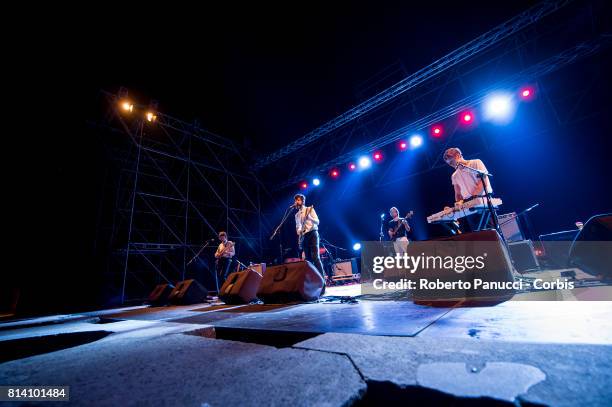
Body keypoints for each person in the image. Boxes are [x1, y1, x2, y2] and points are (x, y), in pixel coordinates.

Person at [443, 147, 493, 232]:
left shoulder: (476, 162)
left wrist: (473, 199)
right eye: (449, 164)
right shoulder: (454, 176)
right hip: (468, 206)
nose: (451, 165)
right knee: (477, 234)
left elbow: (483, 181)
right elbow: (458, 194)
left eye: (451, 162)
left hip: (483, 201)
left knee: (489, 231)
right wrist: (459, 205)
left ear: (458, 156)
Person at [294, 194, 326, 287]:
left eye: (298, 200)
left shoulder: (309, 209)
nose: (297, 202)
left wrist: (310, 218)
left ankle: (322, 282)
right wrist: (299, 231)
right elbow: (298, 226)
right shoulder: (296, 215)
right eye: (296, 200)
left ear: (303, 201)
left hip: (313, 233)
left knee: (315, 257)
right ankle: (313, 282)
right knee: (308, 260)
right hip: (304, 236)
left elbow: (317, 221)